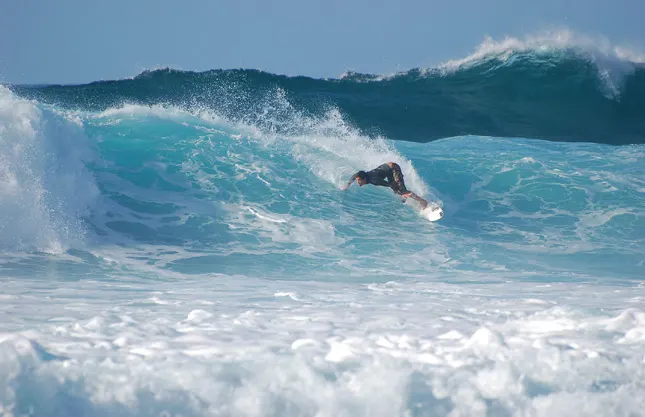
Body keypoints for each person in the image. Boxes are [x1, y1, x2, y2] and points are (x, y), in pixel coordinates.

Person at [343, 162, 428, 209]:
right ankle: (406, 199)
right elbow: (354, 177)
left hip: (393, 168)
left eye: (359, 181)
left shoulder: (374, 180)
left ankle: (422, 201)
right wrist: (347, 185)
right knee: (397, 191)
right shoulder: (362, 175)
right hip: (388, 170)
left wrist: (401, 193)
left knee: (402, 190)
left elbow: (391, 184)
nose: (358, 182)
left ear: (364, 178)